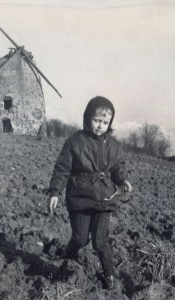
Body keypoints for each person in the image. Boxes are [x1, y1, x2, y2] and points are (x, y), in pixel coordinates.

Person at [48, 96, 132, 290]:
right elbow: (62, 168)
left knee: (101, 240)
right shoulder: (74, 142)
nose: (100, 126)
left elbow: (118, 167)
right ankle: (65, 257)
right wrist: (54, 192)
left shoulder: (113, 145)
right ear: (87, 118)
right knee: (80, 238)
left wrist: (122, 180)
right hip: (80, 198)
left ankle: (110, 276)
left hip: (104, 198)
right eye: (96, 121)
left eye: (105, 122)